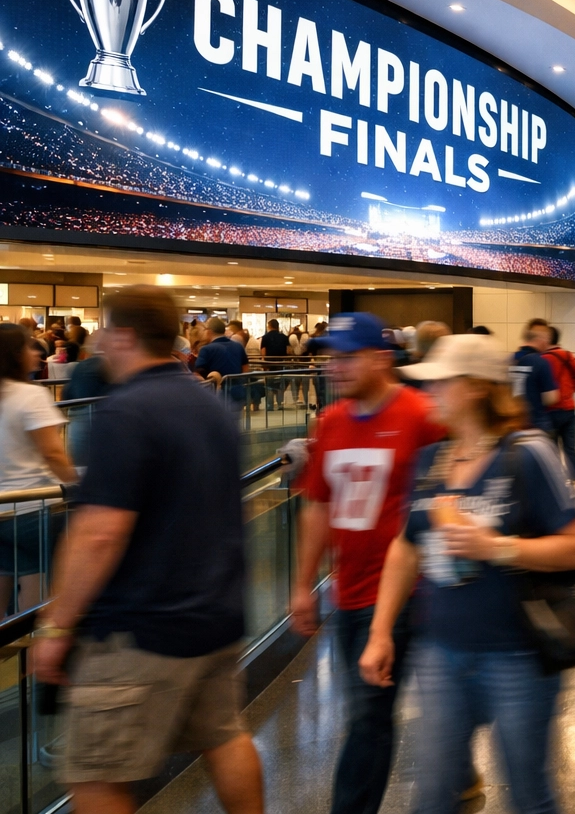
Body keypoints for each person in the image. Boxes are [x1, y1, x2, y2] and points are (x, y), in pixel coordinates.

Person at [33, 286, 263, 814]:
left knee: (96, 775)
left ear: (125, 336)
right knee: (225, 737)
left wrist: (56, 625)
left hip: (139, 631)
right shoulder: (209, 405)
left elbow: (100, 532)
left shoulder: (126, 410)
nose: (99, 348)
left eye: (104, 335)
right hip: (215, 618)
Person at [361, 333, 575, 814]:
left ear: (475, 388)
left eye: (440, 384)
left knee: (530, 794)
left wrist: (497, 547)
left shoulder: (527, 454)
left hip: (518, 656)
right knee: (431, 793)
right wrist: (381, 631)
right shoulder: (432, 462)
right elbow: (407, 548)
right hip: (441, 651)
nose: (429, 395)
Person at [289, 312, 446, 814]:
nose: (334, 367)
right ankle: (459, 775)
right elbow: (318, 506)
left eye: (347, 357)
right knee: (372, 712)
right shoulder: (330, 422)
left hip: (406, 593)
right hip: (349, 591)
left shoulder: (421, 415)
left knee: (368, 717)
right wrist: (301, 585)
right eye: (330, 357)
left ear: (382, 359)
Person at [0, 324, 76, 612]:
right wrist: (77, 488)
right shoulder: (31, 396)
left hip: (2, 506)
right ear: (14, 354)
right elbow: (53, 454)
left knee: (3, 578)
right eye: (29, 347)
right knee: (37, 589)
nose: (37, 353)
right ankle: (35, 647)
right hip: (33, 509)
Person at [543, 327, 575, 479]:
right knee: (570, 448)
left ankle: (556, 482)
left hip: (549, 410)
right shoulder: (567, 355)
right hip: (568, 409)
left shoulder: (542, 359)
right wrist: (569, 391)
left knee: (551, 449)